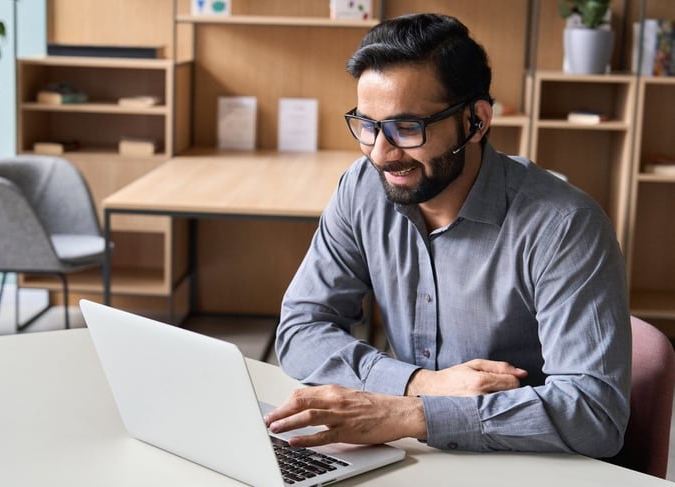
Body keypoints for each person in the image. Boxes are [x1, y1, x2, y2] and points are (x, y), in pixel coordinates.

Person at [263, 12, 631, 456]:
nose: (380, 154)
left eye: (406, 128)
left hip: (525, 462)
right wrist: (420, 384)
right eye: (367, 125)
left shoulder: (564, 226)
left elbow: (595, 415)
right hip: (413, 457)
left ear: (476, 121)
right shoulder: (362, 188)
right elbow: (301, 328)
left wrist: (408, 413)